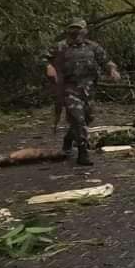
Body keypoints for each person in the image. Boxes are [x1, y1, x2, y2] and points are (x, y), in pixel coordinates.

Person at [45, 19, 120, 166]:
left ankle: (69, 138)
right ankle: (82, 152)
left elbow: (106, 61)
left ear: (85, 31)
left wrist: (112, 70)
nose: (75, 34)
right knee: (78, 119)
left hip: (88, 90)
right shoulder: (60, 47)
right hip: (69, 89)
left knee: (87, 119)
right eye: (72, 30)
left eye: (78, 30)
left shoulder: (93, 47)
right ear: (68, 31)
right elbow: (43, 58)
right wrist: (49, 66)